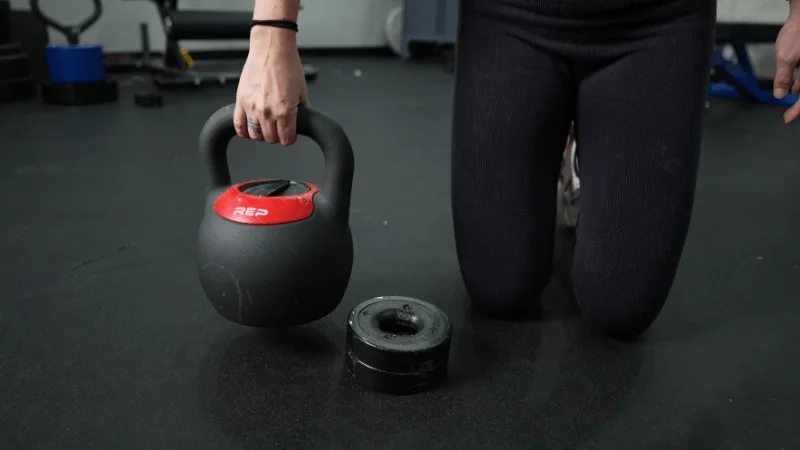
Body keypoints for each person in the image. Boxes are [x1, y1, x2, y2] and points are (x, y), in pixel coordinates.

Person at [235, 0, 800, 339]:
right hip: (512, 16)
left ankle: (584, 151)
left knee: (619, 309)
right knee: (500, 290)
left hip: (656, 23)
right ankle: (557, 133)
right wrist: (271, 31)